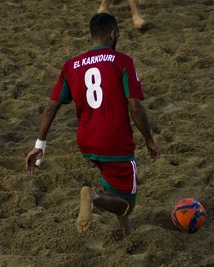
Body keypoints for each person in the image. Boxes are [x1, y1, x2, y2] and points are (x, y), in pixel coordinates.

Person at [25, 13, 159, 238]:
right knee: (127, 202)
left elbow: (50, 107)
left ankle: (126, 231)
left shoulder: (71, 65)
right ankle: (94, 197)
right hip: (114, 141)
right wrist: (149, 140)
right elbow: (135, 106)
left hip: (86, 142)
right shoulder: (123, 61)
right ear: (113, 34)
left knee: (112, 180)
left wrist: (40, 145)